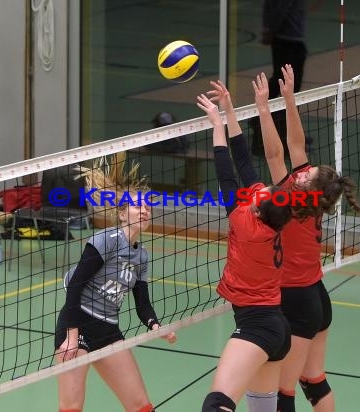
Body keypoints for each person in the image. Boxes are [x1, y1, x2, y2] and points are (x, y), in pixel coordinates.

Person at [253, 65, 360, 412]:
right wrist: (289, 99)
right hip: (317, 296)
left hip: (297, 301)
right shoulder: (312, 199)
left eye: (307, 172)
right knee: (314, 378)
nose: (302, 168)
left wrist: (264, 107)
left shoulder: (290, 200)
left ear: (310, 186)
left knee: (282, 391)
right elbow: (296, 145)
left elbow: (277, 154)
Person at [197, 80, 293, 412]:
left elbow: (226, 175)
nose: (260, 186)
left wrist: (216, 127)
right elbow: (244, 162)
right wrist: (228, 109)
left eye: (261, 192)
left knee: (216, 404)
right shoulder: (270, 216)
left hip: (257, 327)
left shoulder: (246, 223)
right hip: (277, 327)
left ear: (256, 209)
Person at [54, 174, 177, 412]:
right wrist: (71, 336)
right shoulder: (105, 240)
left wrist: (156, 327)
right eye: (137, 206)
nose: (144, 211)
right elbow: (75, 286)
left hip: (108, 331)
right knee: (71, 408)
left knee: (141, 406)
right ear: (122, 214)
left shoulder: (142, 256)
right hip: (78, 324)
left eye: (147, 208)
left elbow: (143, 304)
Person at [251, 0, 308, 157]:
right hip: (287, 40)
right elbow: (279, 8)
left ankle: (281, 129)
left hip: (289, 39)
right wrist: (270, 30)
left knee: (283, 82)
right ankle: (268, 123)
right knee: (286, 84)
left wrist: (269, 29)